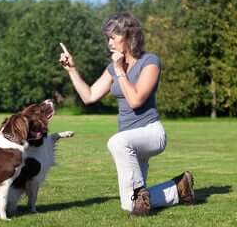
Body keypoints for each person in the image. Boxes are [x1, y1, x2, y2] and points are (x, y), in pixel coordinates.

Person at [58, 12, 195, 216]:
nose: (109, 43)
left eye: (113, 37)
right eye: (107, 38)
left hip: (151, 133)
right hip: (129, 142)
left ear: (129, 35)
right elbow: (89, 96)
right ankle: (179, 188)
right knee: (129, 205)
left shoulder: (150, 62)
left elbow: (136, 100)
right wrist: (72, 70)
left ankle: (142, 195)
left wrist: (120, 70)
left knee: (116, 142)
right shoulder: (113, 69)